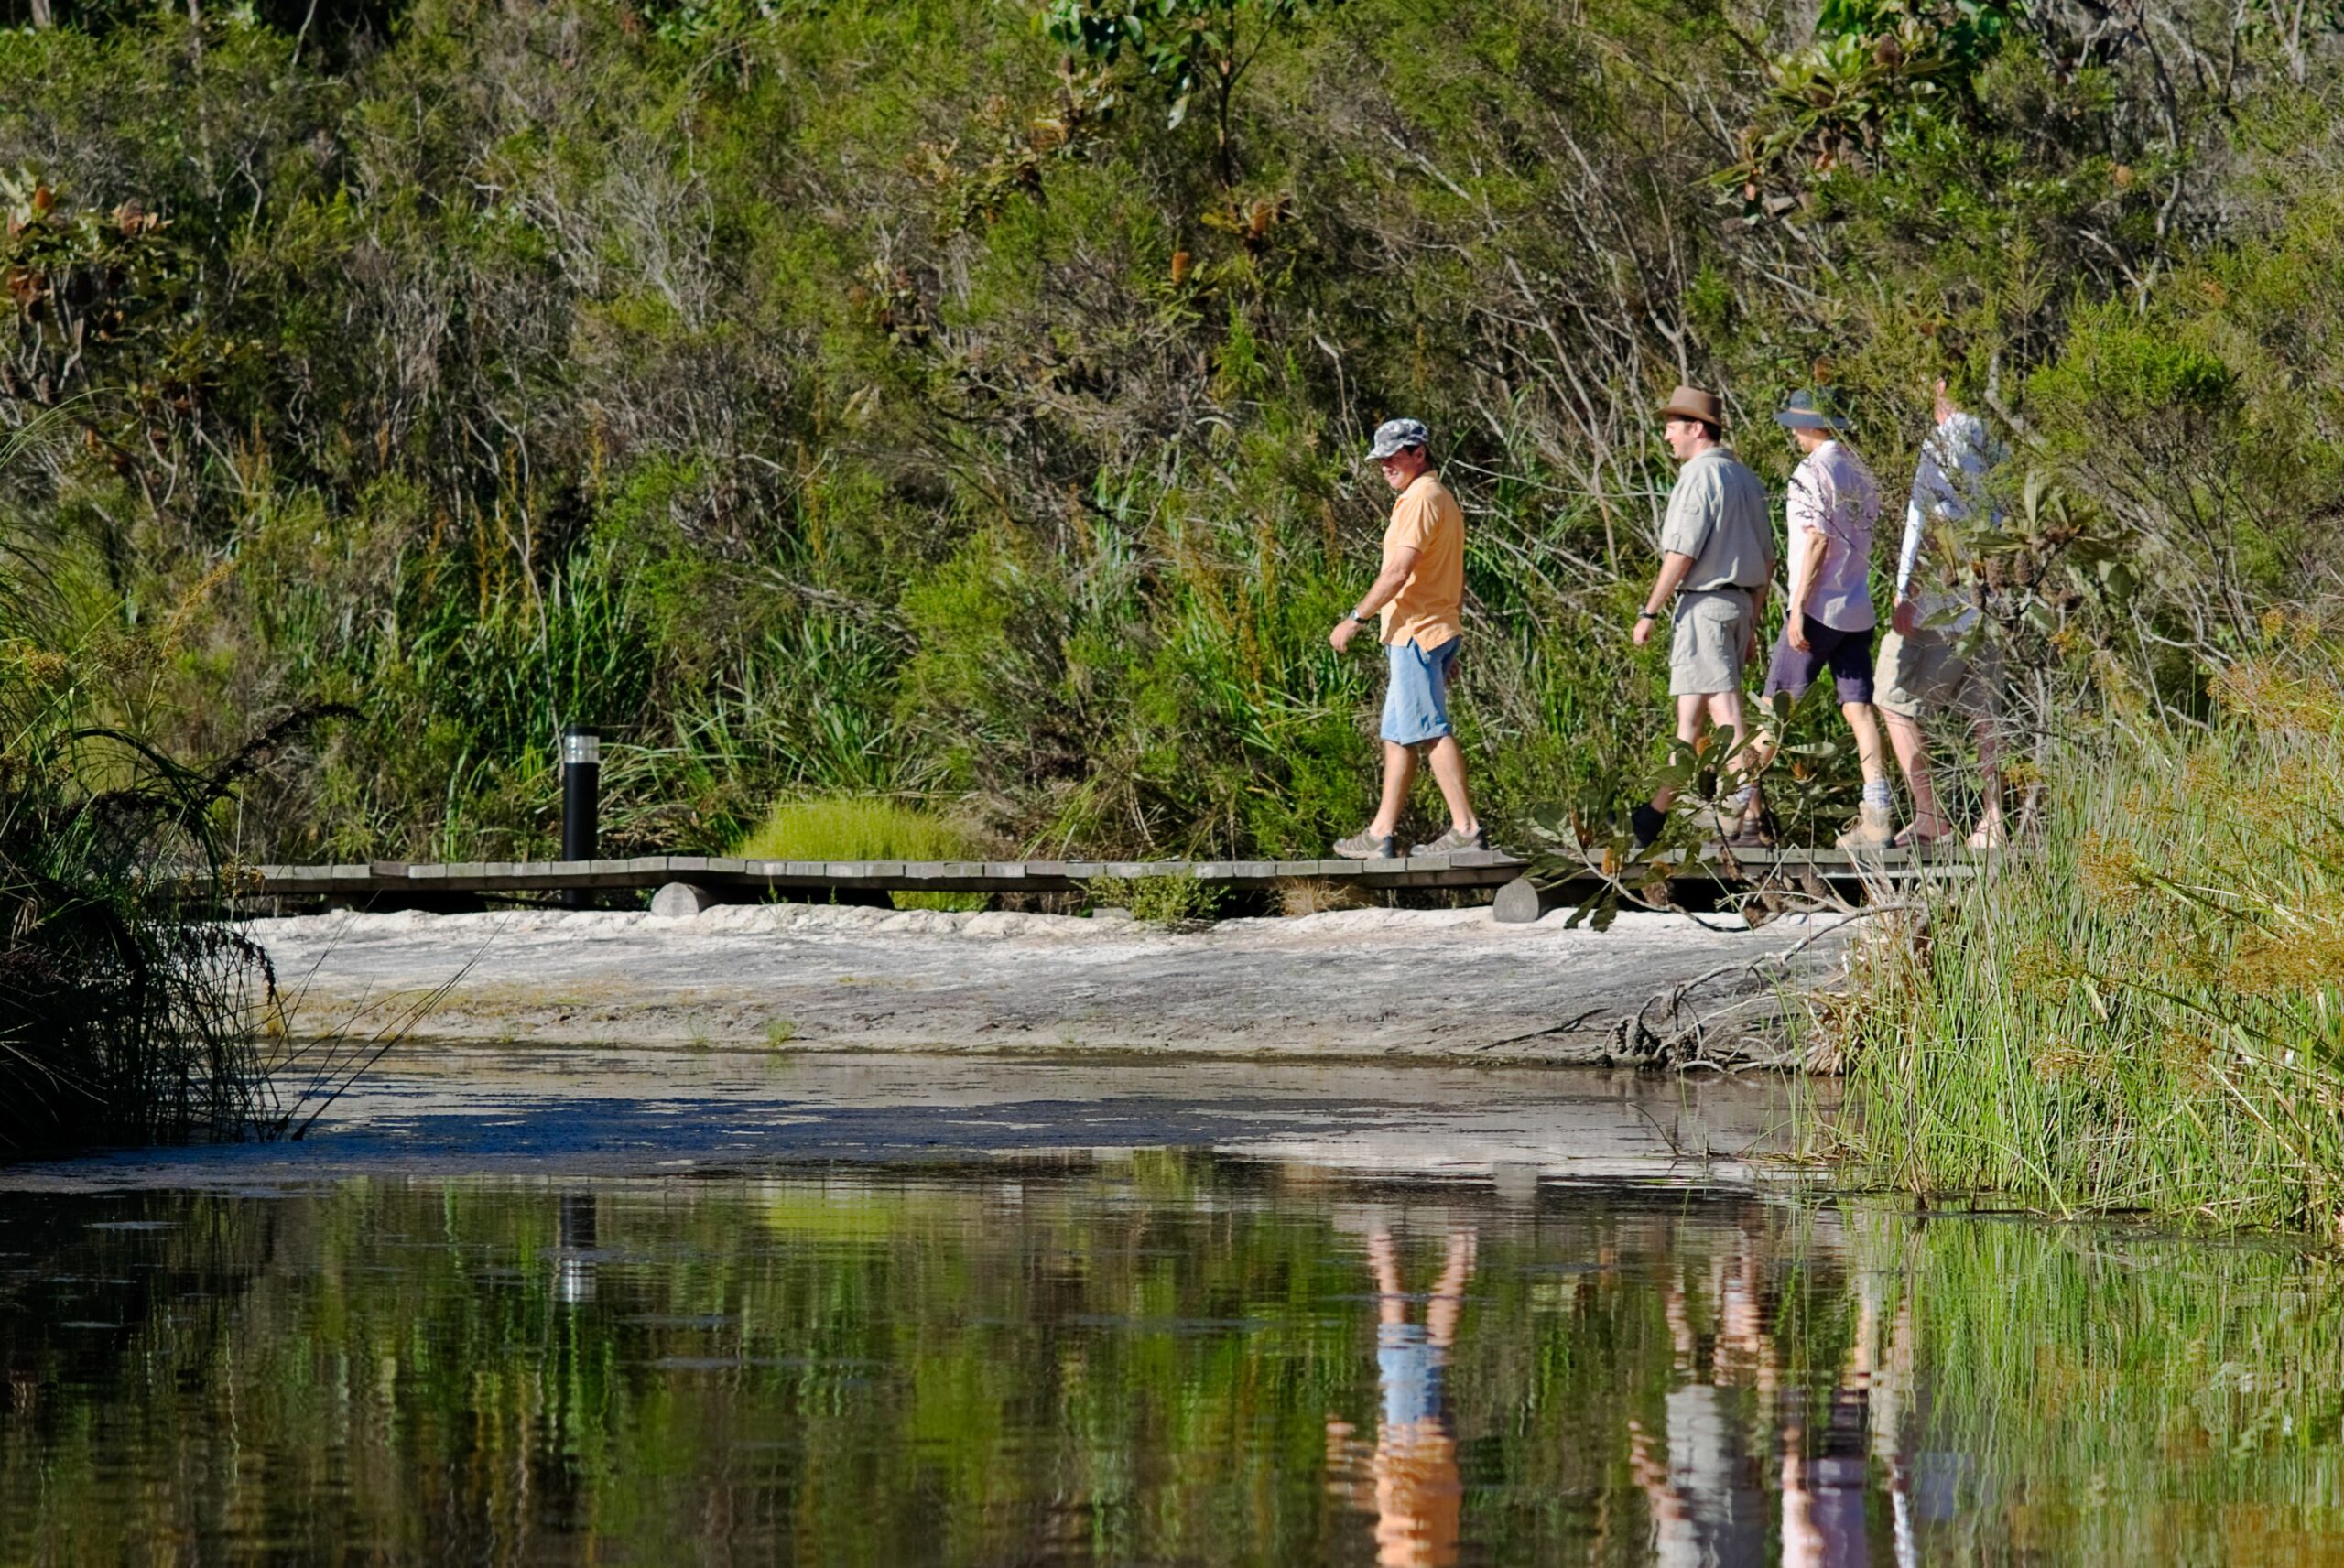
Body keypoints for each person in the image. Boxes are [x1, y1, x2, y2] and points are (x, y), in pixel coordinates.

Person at [1736, 390, 1896, 849]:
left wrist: (1798, 610)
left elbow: (1818, 542)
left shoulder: (1812, 472)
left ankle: (1736, 808)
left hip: (1819, 608)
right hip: (1856, 607)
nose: (1792, 432)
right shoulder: (1862, 473)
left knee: (1775, 711)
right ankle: (1879, 811)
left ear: (1808, 427)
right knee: (1858, 709)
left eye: (1795, 424)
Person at [1329, 418, 1482, 859]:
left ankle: (1467, 828)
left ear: (1420, 453)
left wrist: (1355, 618)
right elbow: (1448, 570)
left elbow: (1399, 571)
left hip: (1417, 632)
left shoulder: (1421, 499)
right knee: (1398, 734)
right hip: (1427, 630)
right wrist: (1447, 641)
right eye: (1381, 459)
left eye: (1395, 456)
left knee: (1430, 730)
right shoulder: (1438, 497)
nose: (1385, 466)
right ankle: (1381, 833)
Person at [1630, 386, 1774, 847]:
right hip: (1737, 606)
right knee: (1689, 719)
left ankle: (1747, 817)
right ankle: (1653, 815)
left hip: (1705, 607)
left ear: (1696, 428)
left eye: (1673, 425)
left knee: (1727, 716)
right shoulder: (1746, 479)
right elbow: (1768, 561)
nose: (1666, 434)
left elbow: (1681, 552)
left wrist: (1649, 609)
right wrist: (1752, 620)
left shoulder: (1699, 476)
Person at [1875, 378, 2006, 849]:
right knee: (1985, 713)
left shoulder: (1945, 440)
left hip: (1943, 601)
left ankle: (1931, 816)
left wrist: (1907, 589)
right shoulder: (1996, 441)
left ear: (1943, 385)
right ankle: (1993, 820)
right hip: (1992, 599)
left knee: (1892, 699)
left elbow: (1932, 517)